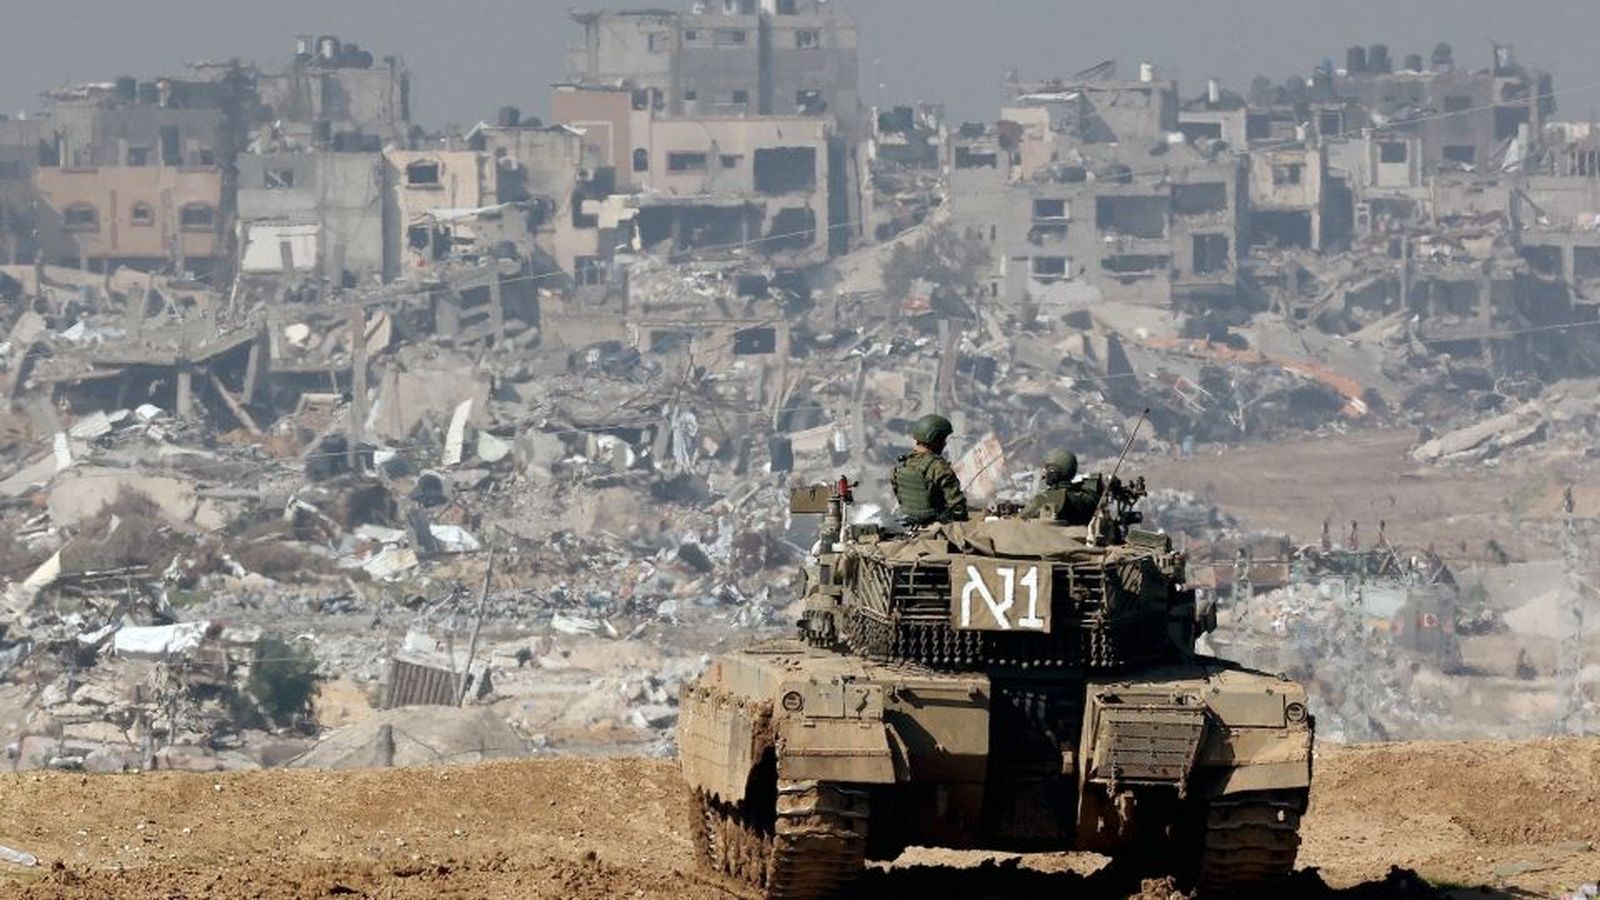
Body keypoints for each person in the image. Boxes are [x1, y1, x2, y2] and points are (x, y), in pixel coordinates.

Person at [891, 414, 968, 526]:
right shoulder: (938, 467)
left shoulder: (902, 464)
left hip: (909, 520)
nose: (944, 444)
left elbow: (898, 493)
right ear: (935, 439)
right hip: (934, 522)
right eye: (942, 439)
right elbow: (957, 504)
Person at [1020, 450, 1100, 524]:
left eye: (1047, 469)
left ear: (1053, 471)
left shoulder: (1048, 498)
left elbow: (1020, 519)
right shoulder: (1089, 496)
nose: (1044, 473)